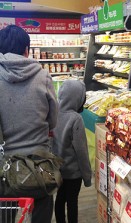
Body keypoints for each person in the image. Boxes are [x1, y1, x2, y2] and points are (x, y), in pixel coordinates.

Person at [0, 25, 58, 223]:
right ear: (27, 49)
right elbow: (53, 120)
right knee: (42, 207)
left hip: (5, 165)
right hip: (38, 163)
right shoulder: (43, 76)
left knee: (6, 212)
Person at [52, 79, 92, 223]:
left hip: (57, 170)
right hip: (73, 173)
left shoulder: (53, 113)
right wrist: (87, 176)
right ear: (78, 98)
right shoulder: (76, 119)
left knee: (60, 199)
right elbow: (81, 151)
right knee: (72, 202)